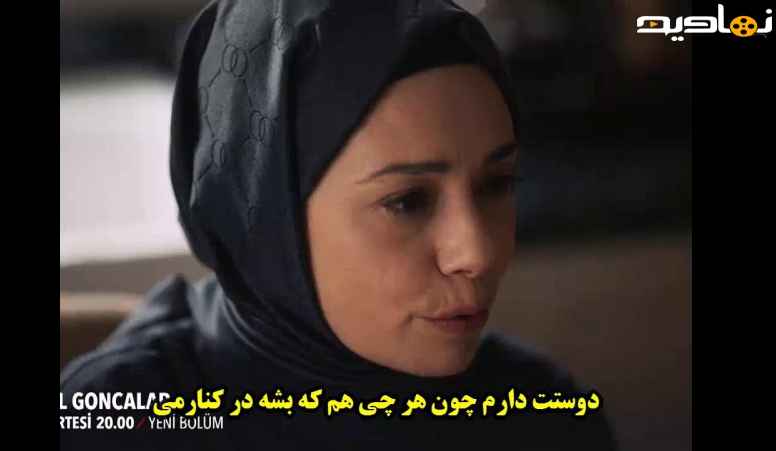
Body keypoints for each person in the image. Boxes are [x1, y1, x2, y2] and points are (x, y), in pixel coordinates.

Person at [60, 1, 618, 449]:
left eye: (497, 184)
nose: (478, 252)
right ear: (269, 220)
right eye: (407, 201)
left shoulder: (542, 415)